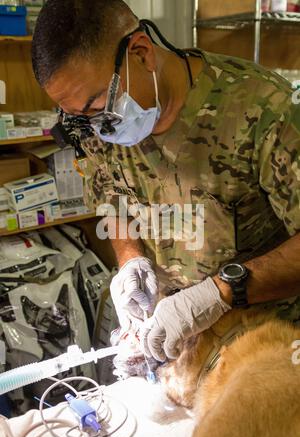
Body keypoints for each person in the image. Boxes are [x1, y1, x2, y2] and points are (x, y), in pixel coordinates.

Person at [32, 0, 300, 363]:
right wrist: (129, 260)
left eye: (97, 109)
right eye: (78, 117)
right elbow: (113, 199)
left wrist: (219, 292)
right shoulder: (93, 125)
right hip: (172, 347)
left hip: (262, 347)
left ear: (141, 53)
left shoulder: (265, 110)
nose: (96, 129)